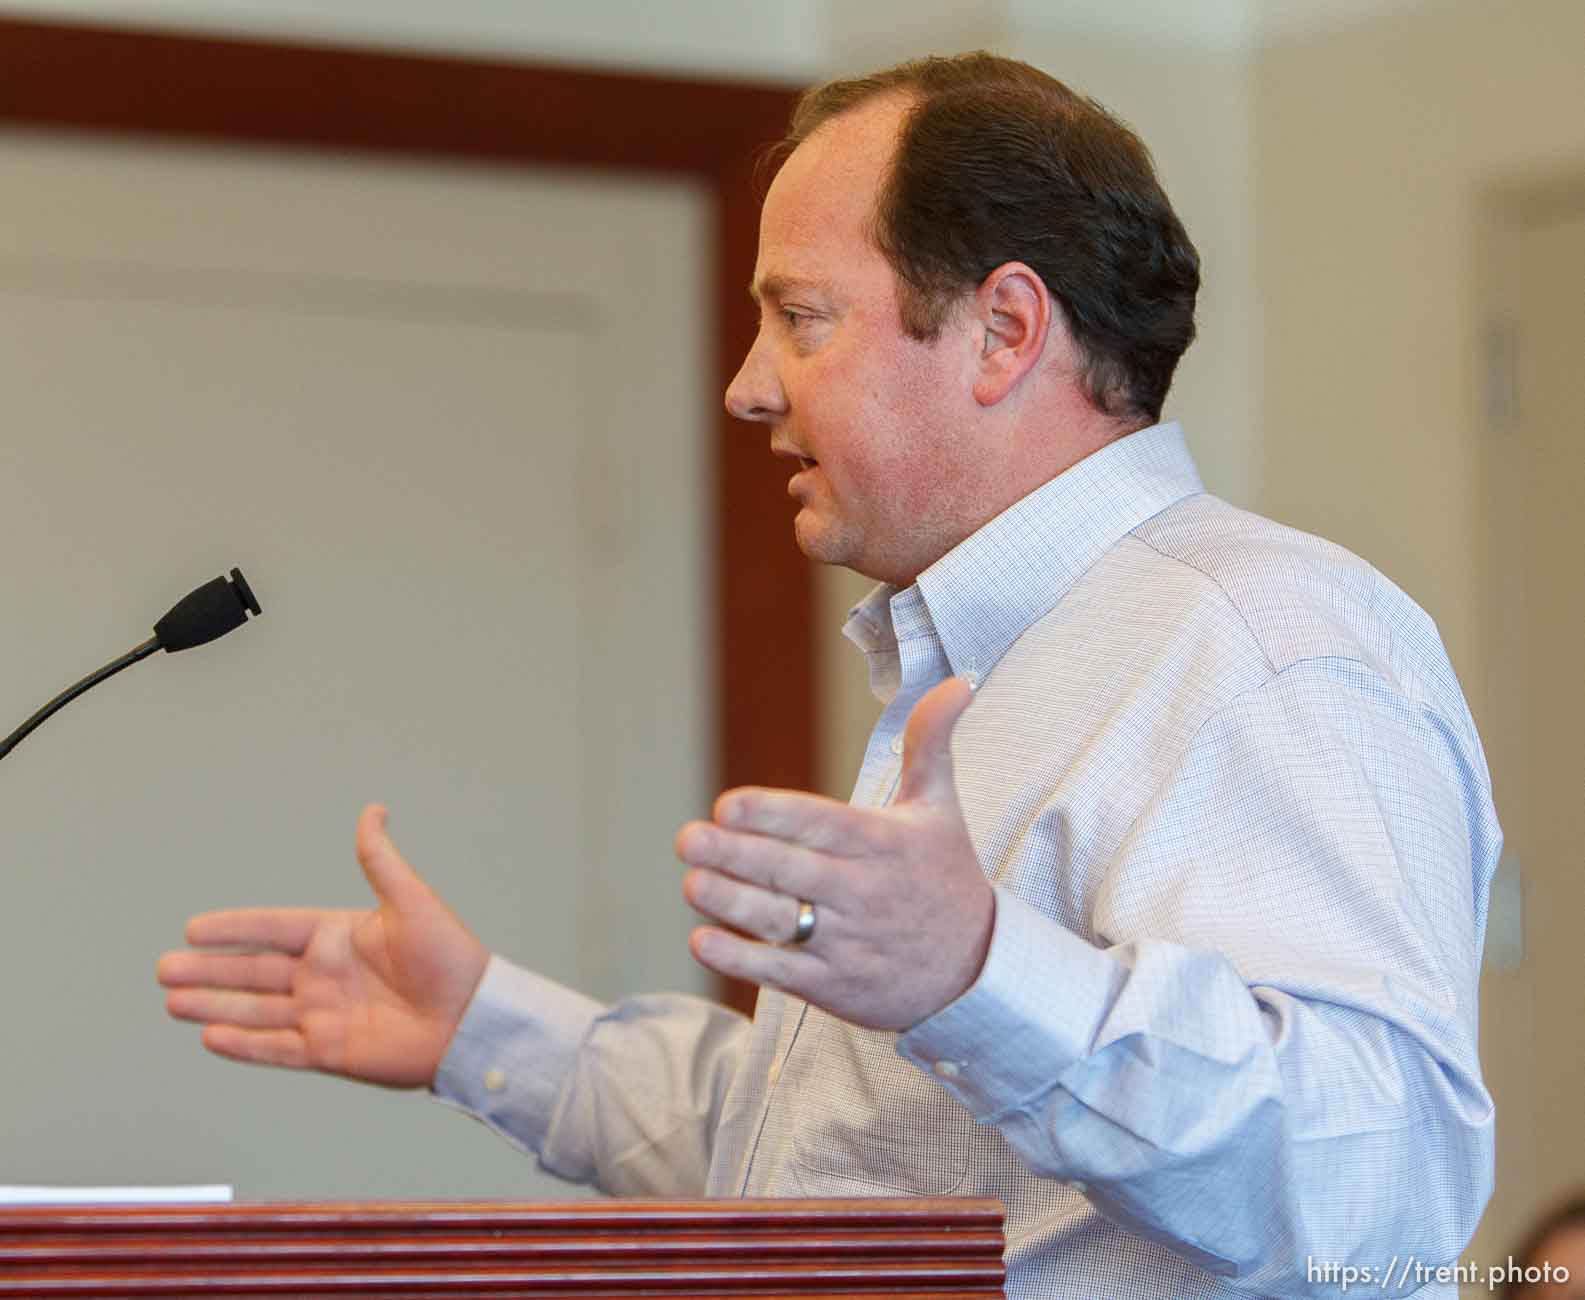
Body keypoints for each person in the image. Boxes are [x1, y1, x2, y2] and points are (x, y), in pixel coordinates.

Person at [157, 52, 1500, 1298]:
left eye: (800, 317)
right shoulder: (979, 656)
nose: (746, 387)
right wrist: (488, 1032)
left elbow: (1380, 1189)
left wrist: (976, 972)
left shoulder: (1267, 641)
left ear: (1002, 331)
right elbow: (854, 1172)